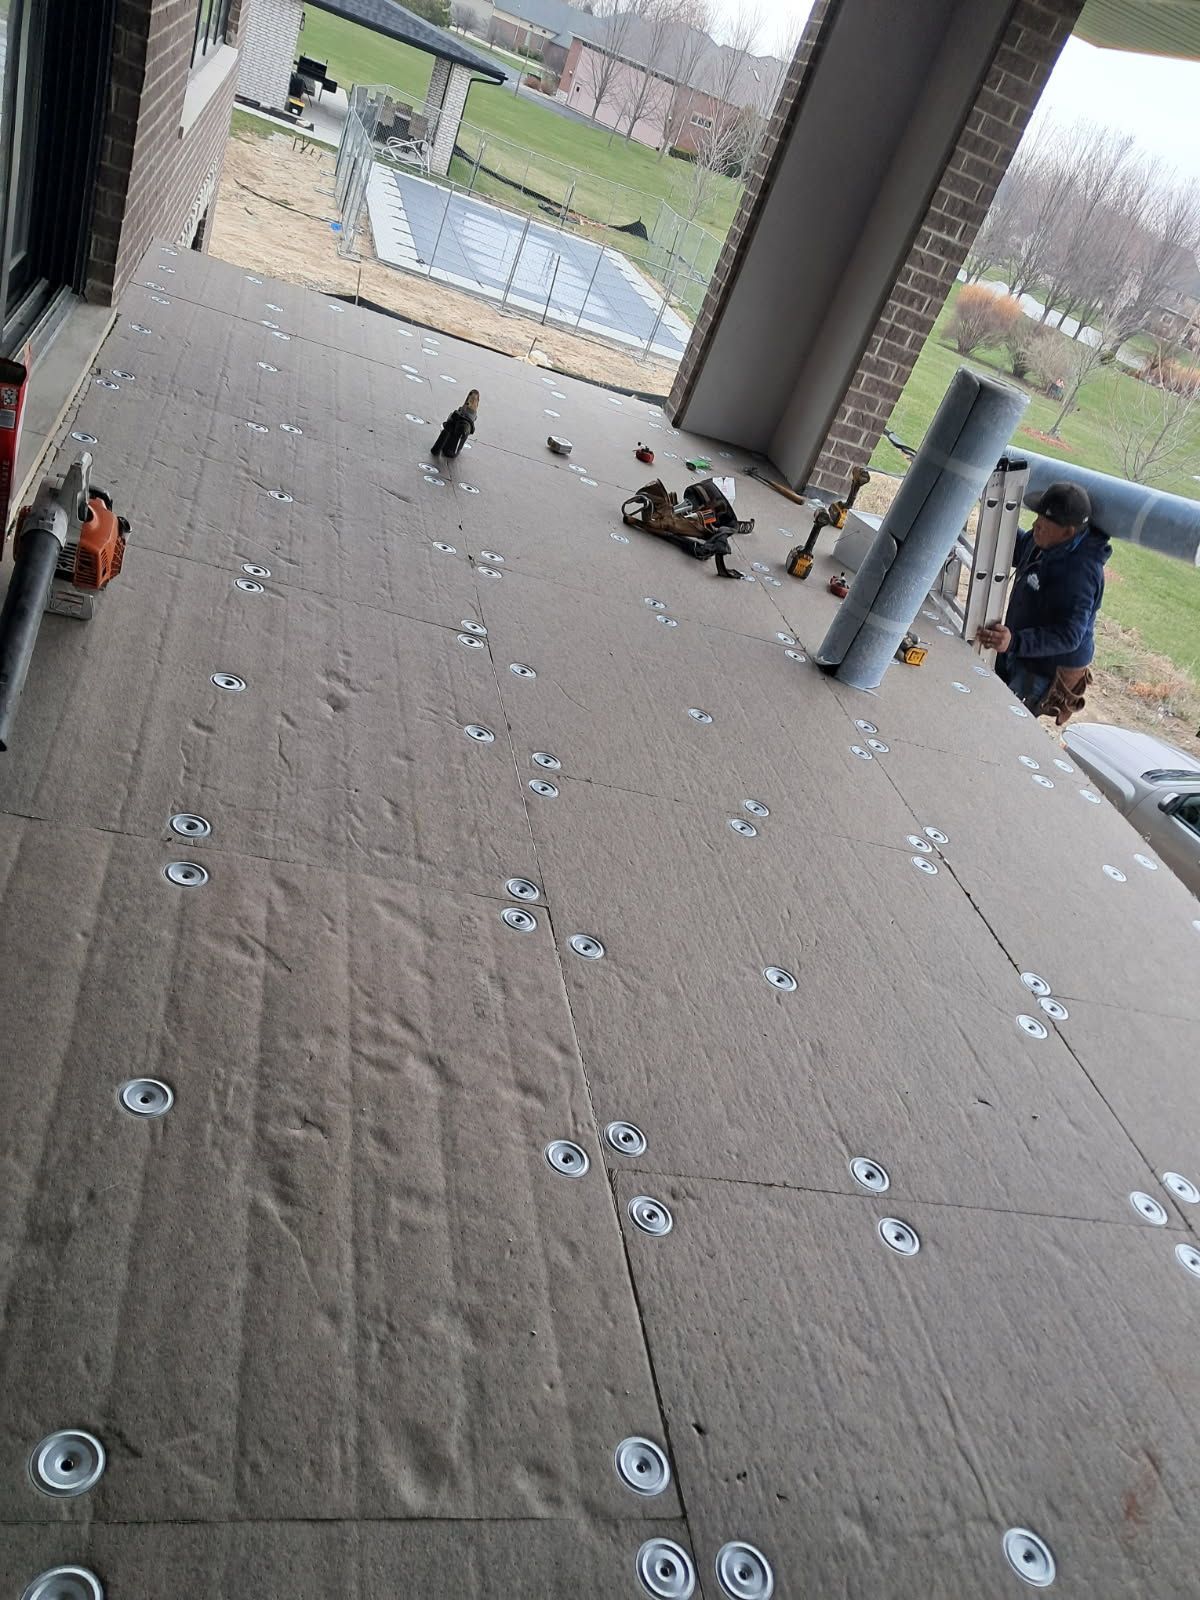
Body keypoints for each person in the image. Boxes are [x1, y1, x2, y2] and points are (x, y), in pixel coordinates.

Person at [976, 481, 1110, 725]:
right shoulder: (1045, 541)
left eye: (1044, 523)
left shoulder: (1081, 574)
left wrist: (1016, 642)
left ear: (1068, 532)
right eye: (1037, 517)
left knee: (1006, 721)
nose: (1036, 525)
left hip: (1045, 668)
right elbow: (1018, 549)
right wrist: (995, 515)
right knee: (989, 706)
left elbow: (1070, 636)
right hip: (1020, 647)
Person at [431, 387, 479, 459]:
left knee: (450, 426)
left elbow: (446, 430)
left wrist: (435, 450)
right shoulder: (469, 424)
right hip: (454, 452)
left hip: (448, 449)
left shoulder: (457, 418)